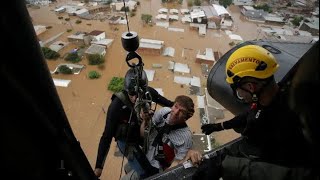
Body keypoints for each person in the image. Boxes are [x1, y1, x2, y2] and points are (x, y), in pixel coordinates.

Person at [194, 45, 316, 179]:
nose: (240, 95)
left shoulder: (287, 124)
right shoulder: (271, 98)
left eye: (238, 90)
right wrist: (220, 126)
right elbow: (249, 115)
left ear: (250, 87)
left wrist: (226, 166)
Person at [94, 69, 174, 179]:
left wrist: (178, 108)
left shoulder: (148, 93)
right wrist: (99, 166)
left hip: (143, 133)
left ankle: (130, 167)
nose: (135, 98)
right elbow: (106, 136)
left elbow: (166, 102)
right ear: (126, 90)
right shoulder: (116, 105)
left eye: (139, 94)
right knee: (147, 174)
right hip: (127, 141)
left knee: (155, 159)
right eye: (132, 94)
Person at [139, 95, 195, 174]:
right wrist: (145, 120)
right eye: (176, 107)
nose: (175, 113)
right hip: (144, 155)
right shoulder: (164, 113)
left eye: (181, 111)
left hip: (156, 169)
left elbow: (176, 165)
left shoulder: (186, 137)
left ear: (186, 117)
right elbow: (143, 135)